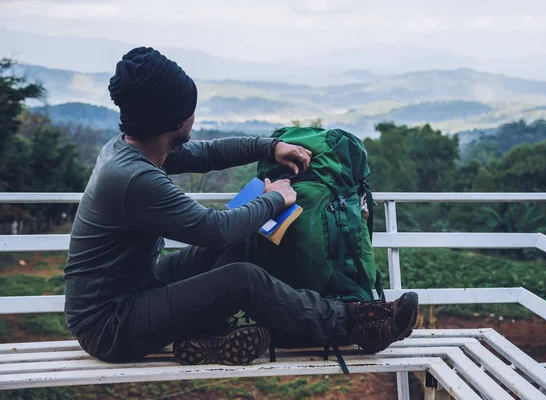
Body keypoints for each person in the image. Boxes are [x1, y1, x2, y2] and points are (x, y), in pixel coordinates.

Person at [64, 46, 419, 366]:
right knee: (242, 280)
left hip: (141, 286)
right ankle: (355, 323)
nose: (194, 116)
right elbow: (214, 230)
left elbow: (209, 153)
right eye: (190, 108)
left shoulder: (134, 147)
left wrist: (270, 146)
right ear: (173, 119)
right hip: (110, 324)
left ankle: (209, 333)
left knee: (243, 240)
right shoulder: (132, 178)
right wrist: (275, 197)